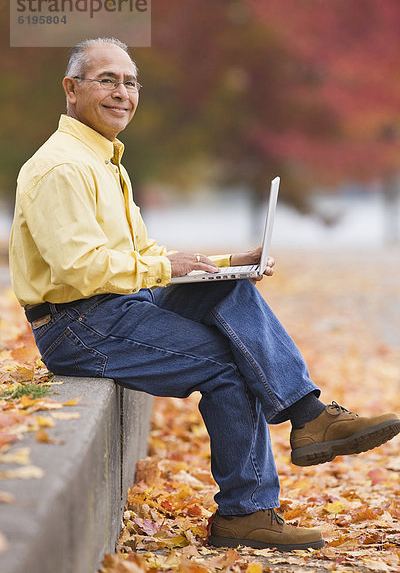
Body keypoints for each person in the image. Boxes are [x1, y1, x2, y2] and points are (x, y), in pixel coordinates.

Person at [9, 37, 400, 552]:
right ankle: (247, 511)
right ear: (71, 89)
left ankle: (309, 417)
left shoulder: (105, 162)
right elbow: (80, 270)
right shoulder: (64, 167)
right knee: (229, 364)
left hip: (114, 306)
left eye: (129, 82)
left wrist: (228, 263)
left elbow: (142, 255)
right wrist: (163, 266)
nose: (121, 92)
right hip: (78, 325)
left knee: (229, 290)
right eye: (106, 80)